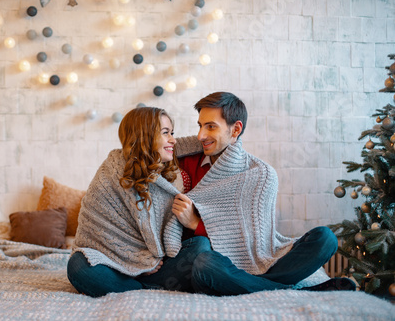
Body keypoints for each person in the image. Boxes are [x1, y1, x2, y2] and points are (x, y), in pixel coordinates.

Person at [170, 92, 356, 296]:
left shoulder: (260, 174)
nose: (200, 136)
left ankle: (254, 284)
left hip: (250, 263)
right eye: (200, 125)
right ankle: (294, 291)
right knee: (205, 263)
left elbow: (255, 242)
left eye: (211, 126)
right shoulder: (185, 161)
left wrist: (196, 224)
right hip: (217, 261)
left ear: (236, 129)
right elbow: (144, 151)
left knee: (326, 238)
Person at [67, 107, 211, 298]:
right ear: (145, 136)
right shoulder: (110, 174)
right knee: (78, 265)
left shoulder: (170, 176)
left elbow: (169, 240)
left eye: (172, 133)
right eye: (166, 133)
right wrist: (138, 262)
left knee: (200, 246)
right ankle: (148, 291)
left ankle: (134, 290)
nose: (173, 140)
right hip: (117, 266)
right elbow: (96, 236)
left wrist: (230, 141)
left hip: (159, 267)